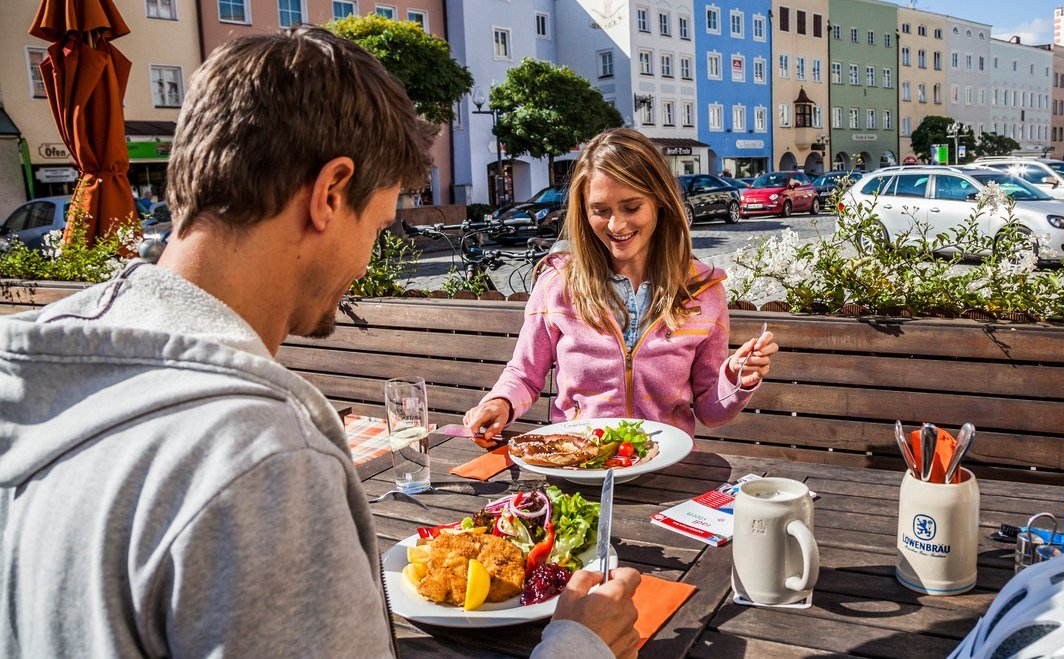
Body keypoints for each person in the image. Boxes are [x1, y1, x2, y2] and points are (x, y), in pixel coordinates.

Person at [0, 27, 639, 658]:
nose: (367, 259)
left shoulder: (27, 374)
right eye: (380, 224)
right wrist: (578, 644)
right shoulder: (265, 457)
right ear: (331, 193)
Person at [463, 128, 778, 444]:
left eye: (631, 207)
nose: (616, 225)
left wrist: (735, 378)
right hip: (578, 465)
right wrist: (499, 403)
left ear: (660, 202)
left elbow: (711, 413)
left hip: (665, 473)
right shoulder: (557, 284)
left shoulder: (704, 290)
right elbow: (523, 375)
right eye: (600, 210)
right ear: (584, 212)